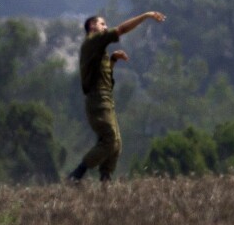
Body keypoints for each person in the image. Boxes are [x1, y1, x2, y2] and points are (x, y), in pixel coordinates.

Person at [67, 10, 166, 183]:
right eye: (102, 24)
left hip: (105, 99)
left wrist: (112, 60)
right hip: (98, 101)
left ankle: (105, 179)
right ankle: (77, 174)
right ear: (92, 26)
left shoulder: (99, 51)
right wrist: (146, 16)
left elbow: (102, 78)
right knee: (110, 140)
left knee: (116, 143)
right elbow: (121, 29)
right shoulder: (92, 41)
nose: (105, 27)